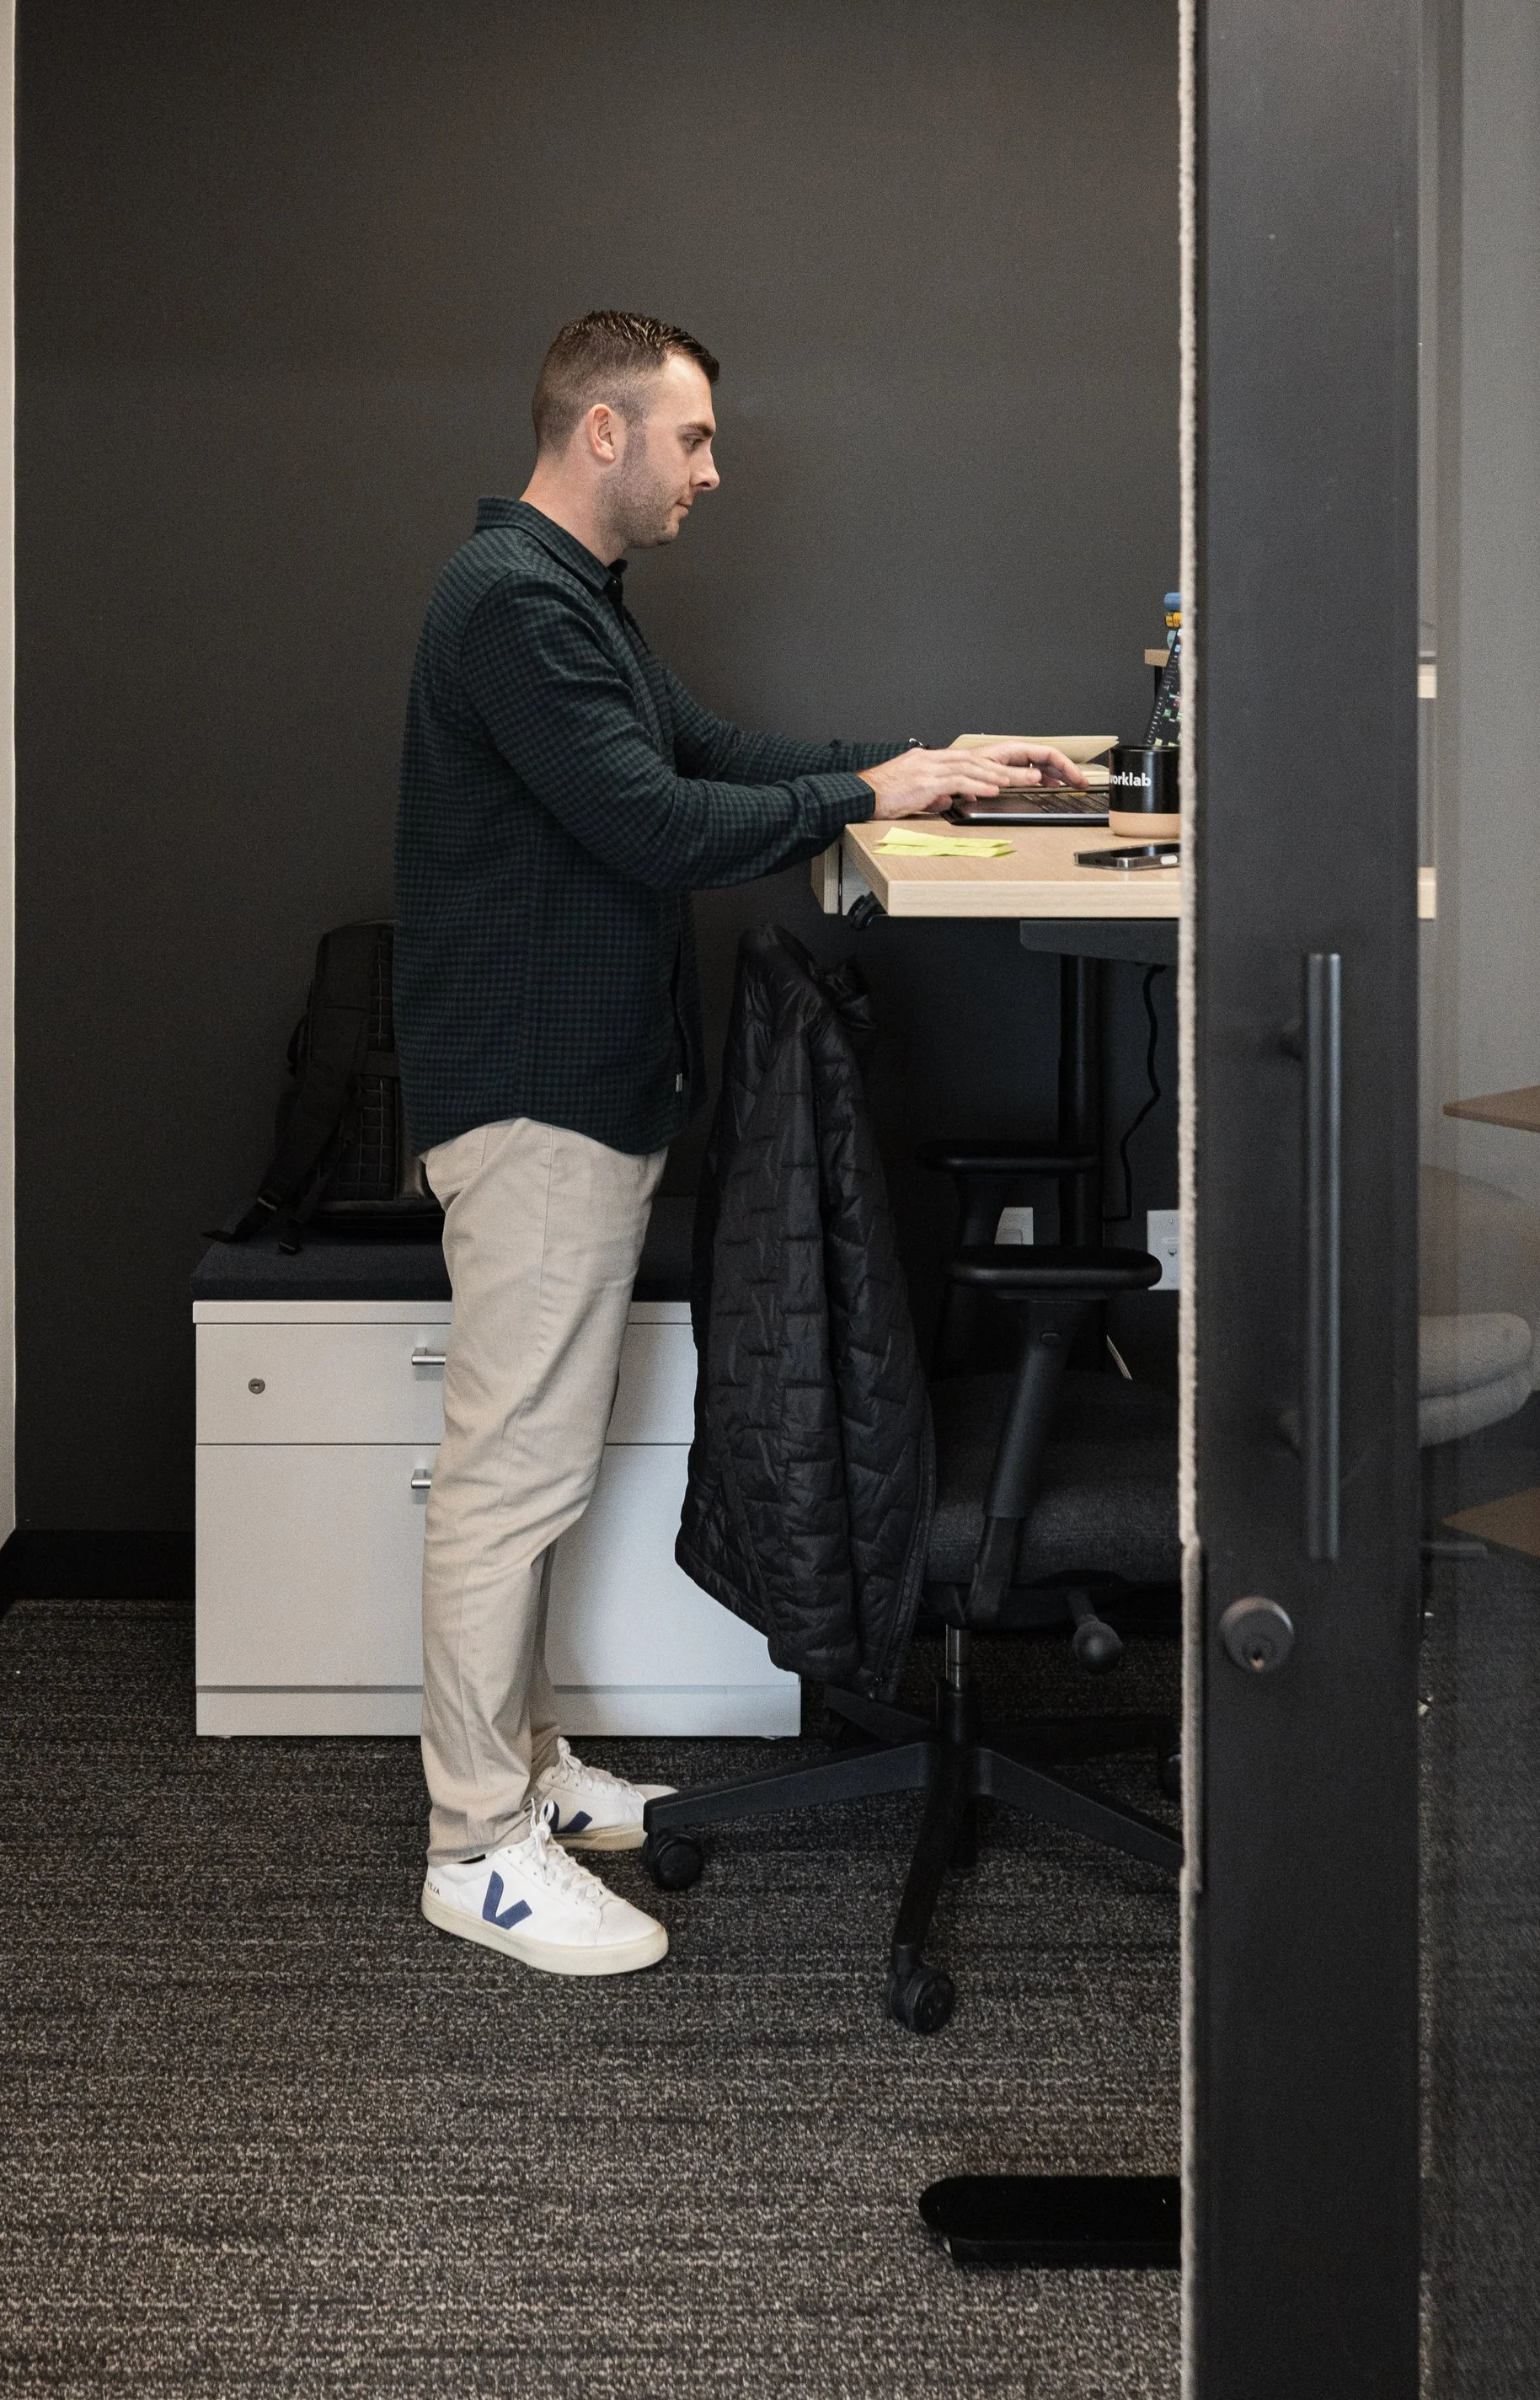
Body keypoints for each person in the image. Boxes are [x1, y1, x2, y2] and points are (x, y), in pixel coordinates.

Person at [393, 311, 1083, 1977]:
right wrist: (863, 797)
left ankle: (525, 1776)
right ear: (603, 432)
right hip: (536, 1103)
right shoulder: (510, 608)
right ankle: (472, 1842)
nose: (713, 468)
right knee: (510, 1479)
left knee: (536, 1468)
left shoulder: (572, 607)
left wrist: (913, 770)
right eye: (692, 437)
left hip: (587, 1095)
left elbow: (704, 758)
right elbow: (653, 822)